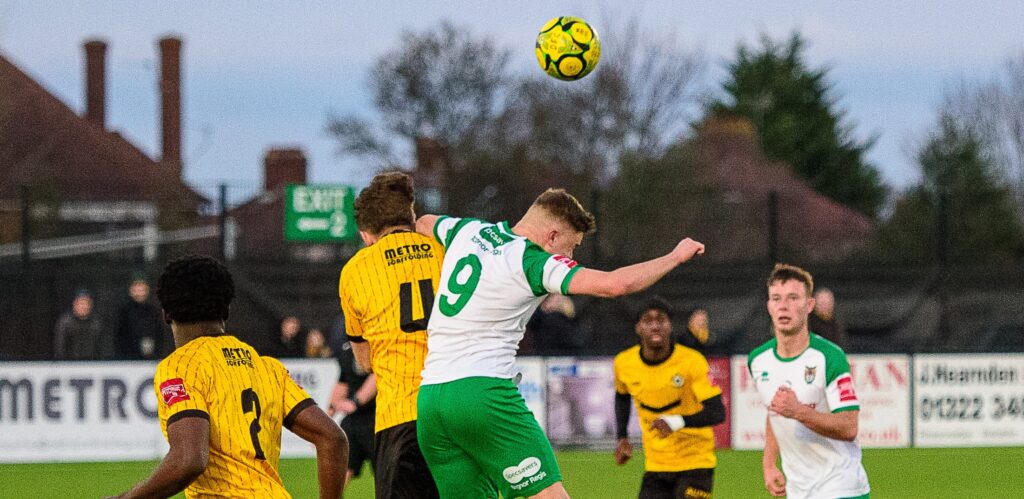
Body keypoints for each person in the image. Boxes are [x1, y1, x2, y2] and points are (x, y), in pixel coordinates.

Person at [415, 188, 705, 499]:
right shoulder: (534, 261)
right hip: (481, 394)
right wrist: (675, 256)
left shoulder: (469, 230)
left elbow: (423, 222)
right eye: (572, 247)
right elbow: (614, 285)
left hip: (430, 400)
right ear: (552, 236)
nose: (571, 258)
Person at [106, 255, 347, 499]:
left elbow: (189, 460)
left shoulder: (180, 367)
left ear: (167, 314)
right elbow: (333, 438)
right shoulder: (267, 368)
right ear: (227, 310)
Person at [338, 172, 442, 498]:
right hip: (455, 408)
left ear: (365, 234)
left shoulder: (356, 270)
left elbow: (365, 361)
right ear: (411, 216)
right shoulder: (443, 249)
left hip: (400, 414)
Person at [749, 264, 869, 499]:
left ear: (809, 305)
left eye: (793, 298)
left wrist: (798, 411)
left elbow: (849, 427)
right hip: (799, 491)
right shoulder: (758, 360)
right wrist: (769, 463)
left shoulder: (829, 357)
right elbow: (775, 411)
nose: (784, 306)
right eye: (776, 298)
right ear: (769, 306)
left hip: (841, 486)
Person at [613, 297, 725, 499]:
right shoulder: (624, 363)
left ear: (670, 325)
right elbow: (621, 396)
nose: (655, 325)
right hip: (657, 465)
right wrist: (622, 437)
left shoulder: (692, 362)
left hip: (696, 462)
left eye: (661, 319)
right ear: (638, 328)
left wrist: (677, 422)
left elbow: (717, 412)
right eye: (648, 320)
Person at [328, 338, 378, 485]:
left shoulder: (375, 343)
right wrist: (327, 417)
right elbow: (343, 381)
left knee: (385, 473)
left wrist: (355, 402)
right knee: (341, 470)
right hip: (354, 421)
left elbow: (377, 376)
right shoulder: (346, 349)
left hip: (378, 418)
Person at [114, 276, 165, 360]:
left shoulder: (154, 311)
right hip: (128, 358)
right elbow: (119, 337)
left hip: (151, 358)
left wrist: (156, 353)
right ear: (131, 291)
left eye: (142, 289)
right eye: (136, 289)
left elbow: (160, 335)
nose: (139, 292)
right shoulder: (123, 312)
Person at [54, 288, 108, 360]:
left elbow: (103, 348)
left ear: (91, 305)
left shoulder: (97, 323)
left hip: (92, 363)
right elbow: (60, 349)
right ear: (74, 304)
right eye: (80, 303)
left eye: (86, 303)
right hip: (70, 363)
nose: (83, 307)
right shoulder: (65, 323)